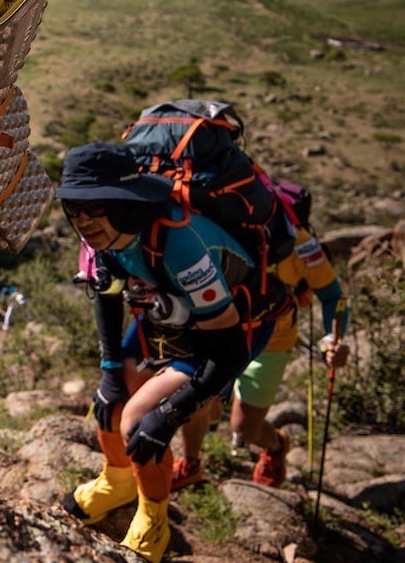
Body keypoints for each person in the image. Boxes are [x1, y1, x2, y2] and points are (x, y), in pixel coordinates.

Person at [56, 142, 289, 563]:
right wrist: (110, 372)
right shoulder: (103, 237)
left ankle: (153, 519)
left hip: (229, 331)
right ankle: (118, 482)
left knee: (139, 423)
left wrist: (170, 414)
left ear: (123, 202)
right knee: (109, 405)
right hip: (171, 318)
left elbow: (230, 350)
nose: (82, 219)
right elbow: (107, 298)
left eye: (93, 206)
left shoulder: (179, 245)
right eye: (73, 207)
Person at [170, 224, 350, 490]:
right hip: (221, 332)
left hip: (273, 341)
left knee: (245, 429)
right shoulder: (213, 222)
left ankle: (276, 446)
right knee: (199, 400)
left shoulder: (300, 243)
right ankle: (191, 464)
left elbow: (333, 295)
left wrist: (332, 341)